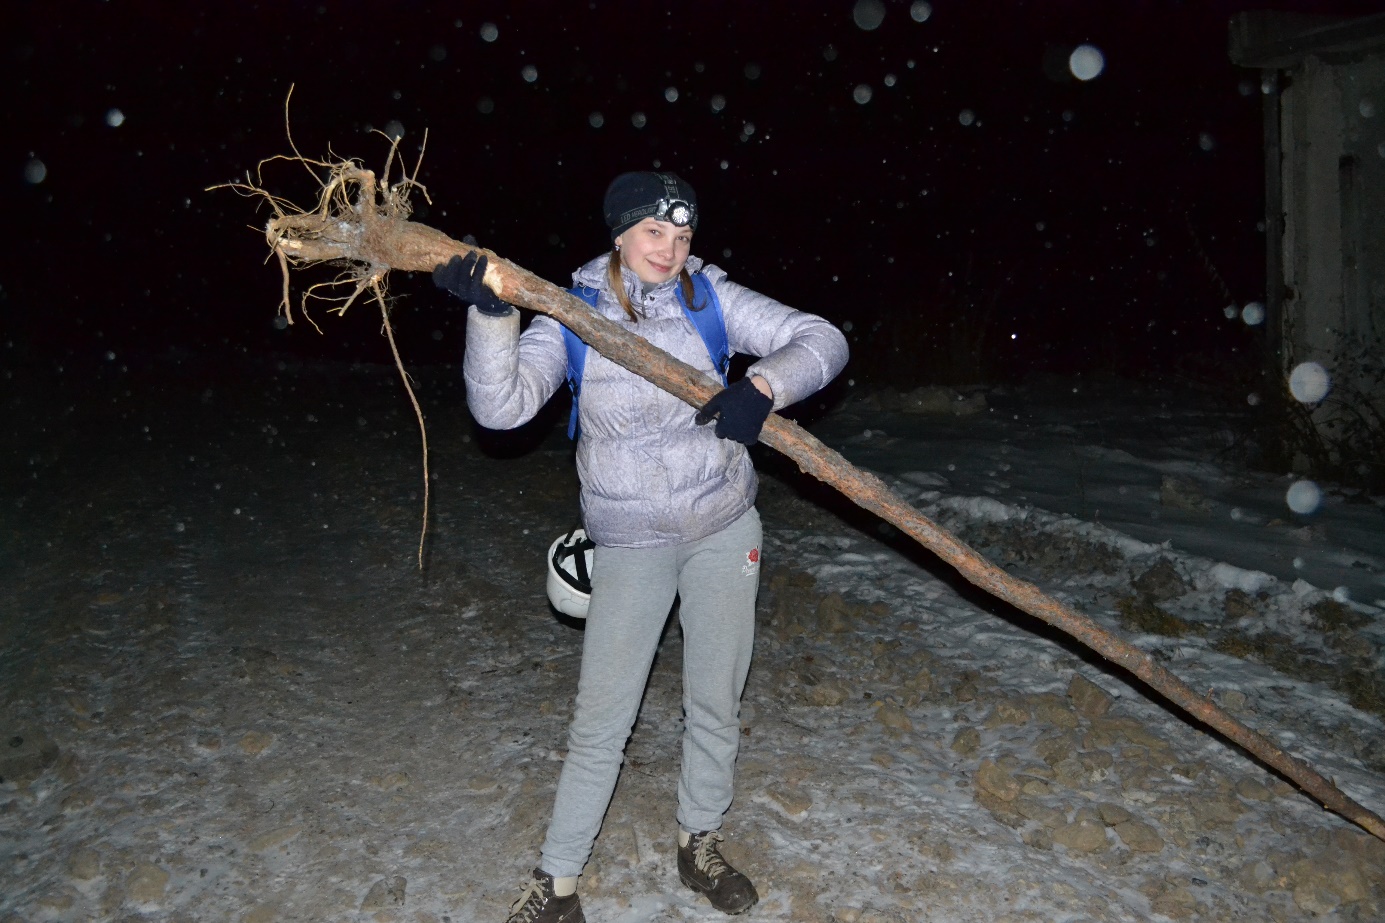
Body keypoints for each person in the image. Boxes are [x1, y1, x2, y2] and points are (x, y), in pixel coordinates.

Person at [434, 171, 848, 922]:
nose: (671, 249)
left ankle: (700, 840)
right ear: (618, 234)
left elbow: (822, 338)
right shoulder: (570, 313)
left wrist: (762, 388)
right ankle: (557, 881)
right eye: (655, 232)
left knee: (714, 700)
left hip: (724, 526)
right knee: (602, 718)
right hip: (628, 541)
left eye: (683, 235)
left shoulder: (709, 298)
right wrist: (492, 317)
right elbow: (500, 410)